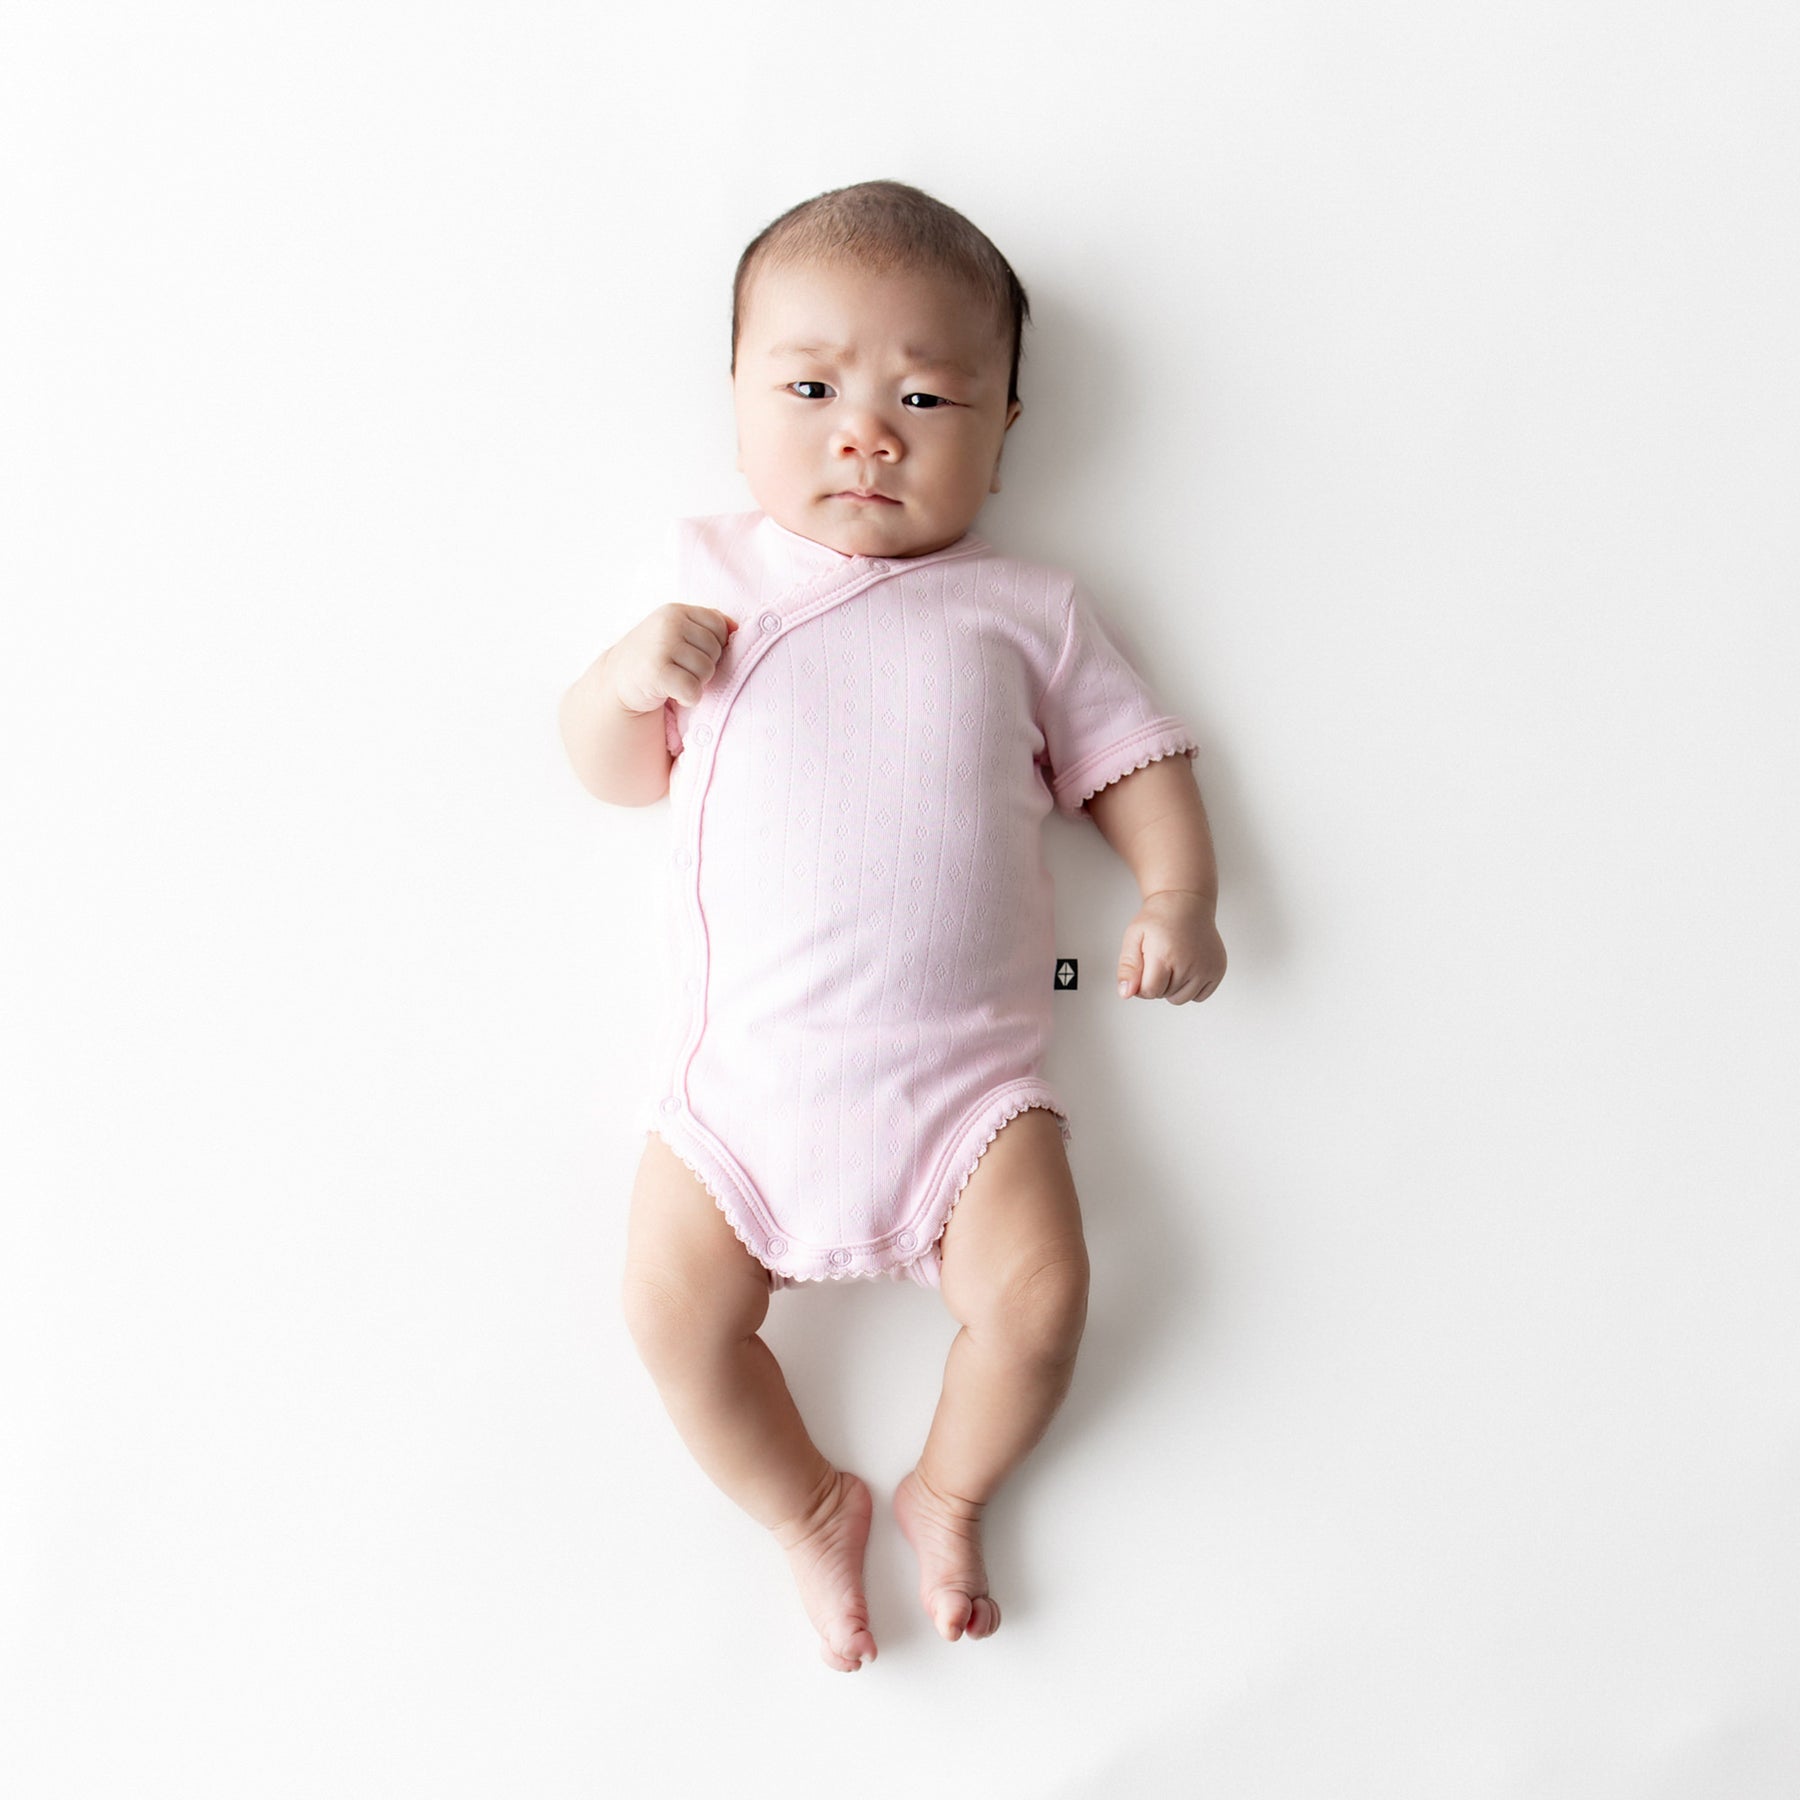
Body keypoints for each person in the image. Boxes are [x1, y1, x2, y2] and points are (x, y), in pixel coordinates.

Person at [559, 180, 1227, 1671]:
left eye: (925, 398)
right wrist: (620, 686)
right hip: (737, 1097)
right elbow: (617, 778)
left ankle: (949, 1490)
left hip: (966, 1095)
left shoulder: (1030, 611)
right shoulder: (709, 586)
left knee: (1041, 1302)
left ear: (1005, 427)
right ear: (737, 392)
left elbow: (1138, 762)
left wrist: (1177, 896)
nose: (866, 434)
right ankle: (803, 1506)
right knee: (669, 1315)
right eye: (811, 390)